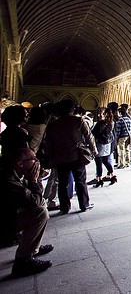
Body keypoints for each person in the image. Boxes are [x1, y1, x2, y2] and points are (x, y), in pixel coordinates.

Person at [0, 147, 54, 277]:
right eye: (33, 159)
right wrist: (34, 181)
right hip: (4, 226)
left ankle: (32, 246)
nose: (37, 162)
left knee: (41, 204)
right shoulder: (7, 178)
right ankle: (23, 261)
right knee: (40, 212)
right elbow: (32, 201)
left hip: (8, 216)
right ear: (20, 163)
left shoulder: (14, 172)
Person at [43, 99, 97, 214]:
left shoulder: (52, 124)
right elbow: (89, 136)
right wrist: (94, 149)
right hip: (76, 155)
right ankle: (84, 204)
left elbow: (48, 142)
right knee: (80, 180)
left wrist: (49, 156)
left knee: (63, 183)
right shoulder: (78, 120)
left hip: (60, 157)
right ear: (72, 109)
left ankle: (64, 206)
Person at [91, 108, 116, 186]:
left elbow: (93, 132)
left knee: (98, 163)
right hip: (107, 144)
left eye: (101, 113)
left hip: (100, 144)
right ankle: (112, 176)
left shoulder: (100, 123)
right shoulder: (111, 122)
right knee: (105, 161)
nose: (99, 115)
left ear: (104, 114)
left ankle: (99, 180)